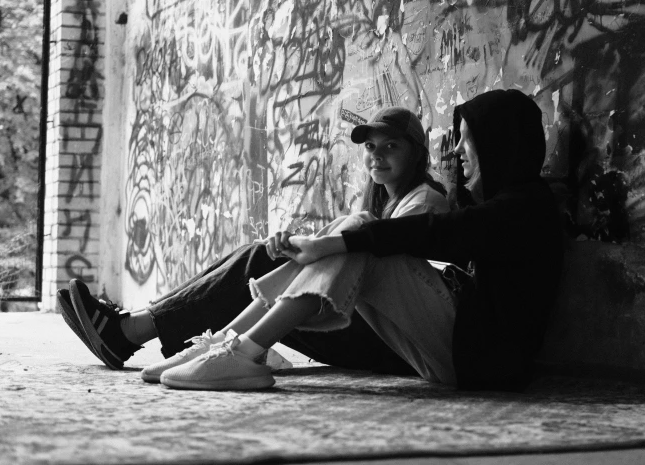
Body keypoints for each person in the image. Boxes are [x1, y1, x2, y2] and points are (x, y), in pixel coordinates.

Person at [131, 89, 564, 391]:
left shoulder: (526, 208)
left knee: (363, 238)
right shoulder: (514, 203)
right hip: (463, 353)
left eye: (469, 143)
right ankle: (229, 345)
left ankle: (241, 353)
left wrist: (331, 245)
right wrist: (327, 244)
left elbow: (437, 233)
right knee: (356, 232)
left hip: (480, 362)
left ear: (498, 145)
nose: (458, 153)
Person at [58, 106, 450, 381]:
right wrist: (294, 245)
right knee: (261, 256)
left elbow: (373, 260)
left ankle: (132, 332)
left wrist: (306, 248)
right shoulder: (386, 201)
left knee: (258, 262)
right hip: (366, 324)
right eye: (370, 147)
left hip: (392, 338)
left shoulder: (424, 201)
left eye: (390, 146)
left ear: (415, 152)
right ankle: (150, 331)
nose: (376, 156)